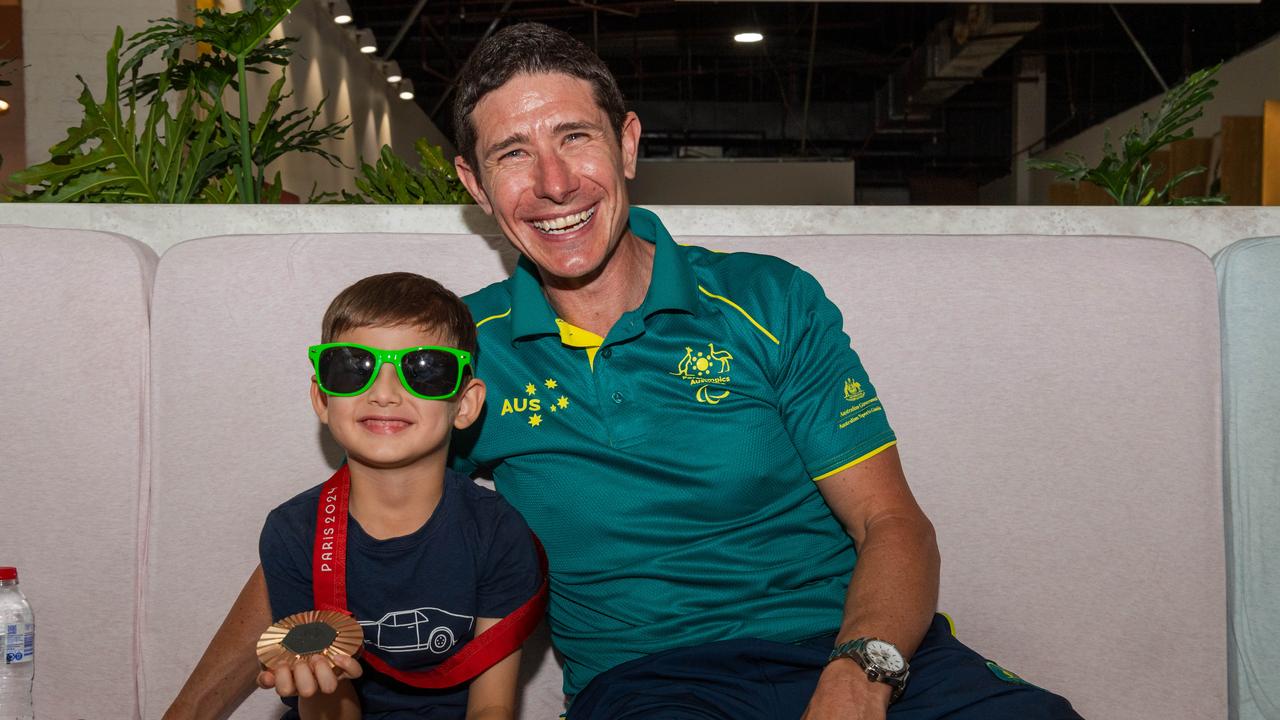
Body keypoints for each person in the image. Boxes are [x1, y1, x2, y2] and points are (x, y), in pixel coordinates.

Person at [165, 23, 1080, 720]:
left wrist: (862, 668)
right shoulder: (463, 347)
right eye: (512, 154)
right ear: (476, 188)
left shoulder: (768, 300)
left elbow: (894, 523)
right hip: (653, 685)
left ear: (628, 143)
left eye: (575, 137)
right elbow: (334, 529)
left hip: (860, 651)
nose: (554, 182)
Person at [255, 272, 543, 720]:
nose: (384, 393)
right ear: (322, 397)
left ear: (465, 404)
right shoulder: (292, 532)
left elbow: (493, 706)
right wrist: (315, 683)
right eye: (353, 367)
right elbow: (332, 707)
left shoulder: (499, 533)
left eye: (425, 369)